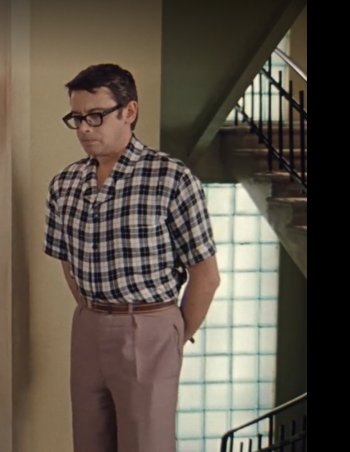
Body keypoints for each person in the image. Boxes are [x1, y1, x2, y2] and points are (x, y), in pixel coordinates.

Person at [43, 63, 221, 452]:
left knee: (146, 443)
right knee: (88, 441)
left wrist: (173, 336)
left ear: (129, 111)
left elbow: (206, 275)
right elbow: (66, 261)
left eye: (96, 116)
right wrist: (94, 311)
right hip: (88, 323)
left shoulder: (171, 178)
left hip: (149, 324)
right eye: (77, 118)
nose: (85, 128)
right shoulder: (64, 184)